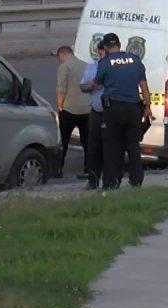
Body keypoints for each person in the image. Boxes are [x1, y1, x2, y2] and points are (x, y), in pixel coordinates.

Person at [94, 33, 152, 189]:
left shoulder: (105, 62)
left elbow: (97, 83)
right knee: (133, 146)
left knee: (112, 146)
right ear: (119, 45)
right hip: (133, 109)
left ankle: (111, 182)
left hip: (113, 109)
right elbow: (144, 86)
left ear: (105, 47)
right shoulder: (135, 60)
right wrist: (148, 107)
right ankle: (136, 181)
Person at [54, 45, 90, 176]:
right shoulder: (86, 66)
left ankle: (58, 169)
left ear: (62, 54)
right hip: (87, 109)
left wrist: (60, 106)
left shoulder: (64, 67)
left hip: (69, 109)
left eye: (59, 57)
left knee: (63, 140)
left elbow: (61, 89)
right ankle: (88, 169)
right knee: (87, 141)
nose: (59, 60)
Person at [79, 42, 107, 190]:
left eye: (105, 51)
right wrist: (92, 86)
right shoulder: (92, 67)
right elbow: (82, 86)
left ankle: (110, 180)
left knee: (110, 147)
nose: (102, 53)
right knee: (93, 147)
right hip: (96, 111)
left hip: (111, 113)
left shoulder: (113, 67)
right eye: (100, 51)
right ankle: (93, 179)